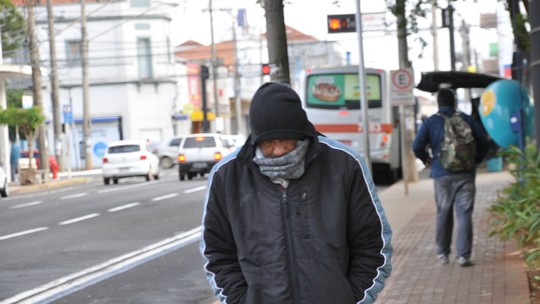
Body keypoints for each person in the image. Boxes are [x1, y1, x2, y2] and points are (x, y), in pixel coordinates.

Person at [200, 82, 393, 304]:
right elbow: (217, 252)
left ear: (302, 133)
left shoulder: (344, 165)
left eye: (287, 141)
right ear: (256, 139)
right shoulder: (227, 175)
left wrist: (355, 298)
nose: (280, 150)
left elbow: (373, 243)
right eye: (270, 143)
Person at [412, 88, 488, 267]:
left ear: (438, 103)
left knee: (443, 213)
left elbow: (416, 146)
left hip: (441, 174)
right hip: (466, 174)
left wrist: (427, 160)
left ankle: (443, 253)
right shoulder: (466, 119)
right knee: (464, 215)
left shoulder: (431, 122)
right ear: (454, 102)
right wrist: (475, 160)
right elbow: (483, 141)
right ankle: (464, 256)